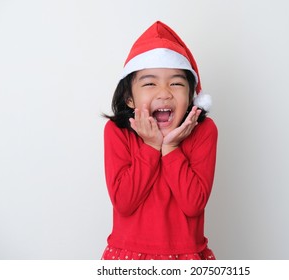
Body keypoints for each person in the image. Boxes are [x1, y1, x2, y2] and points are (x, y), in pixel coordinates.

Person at [101, 21, 218, 260]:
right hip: (127, 257)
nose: (164, 92)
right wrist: (152, 146)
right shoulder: (116, 131)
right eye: (150, 83)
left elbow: (194, 204)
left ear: (191, 96)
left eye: (176, 83)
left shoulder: (204, 130)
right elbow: (124, 202)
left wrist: (171, 148)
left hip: (185, 257)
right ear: (129, 98)